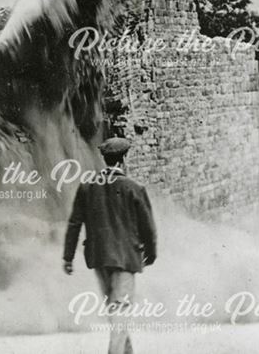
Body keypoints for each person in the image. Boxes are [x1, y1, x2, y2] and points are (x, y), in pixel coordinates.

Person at [63, 137, 157, 354]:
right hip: (126, 258)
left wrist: (68, 257)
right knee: (120, 309)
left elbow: (75, 223)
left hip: (99, 258)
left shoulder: (87, 187)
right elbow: (147, 227)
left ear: (104, 160)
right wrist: (150, 254)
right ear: (124, 159)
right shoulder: (135, 188)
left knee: (115, 310)